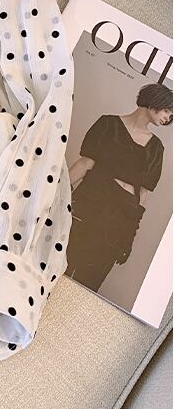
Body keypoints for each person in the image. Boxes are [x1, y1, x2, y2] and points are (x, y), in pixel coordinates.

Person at [66, 83, 171, 291]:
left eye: (171, 115)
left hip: (119, 219)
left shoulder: (156, 148)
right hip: (90, 204)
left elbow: (143, 195)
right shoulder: (108, 124)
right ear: (155, 100)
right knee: (63, 265)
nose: (168, 118)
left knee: (88, 284)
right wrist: (58, 197)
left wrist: (129, 235)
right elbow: (85, 164)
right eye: (167, 110)